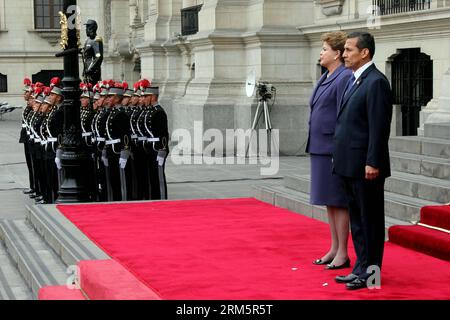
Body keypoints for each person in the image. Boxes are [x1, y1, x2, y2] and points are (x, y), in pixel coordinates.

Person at [333, 32, 393, 290]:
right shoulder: (355, 80)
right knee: (357, 221)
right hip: (349, 164)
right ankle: (360, 269)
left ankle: (372, 274)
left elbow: (379, 127)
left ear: (364, 52)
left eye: (348, 50)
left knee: (370, 222)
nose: (344, 54)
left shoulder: (376, 82)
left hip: (366, 167)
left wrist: (373, 162)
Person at [306, 31, 352, 270]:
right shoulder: (326, 76)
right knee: (328, 201)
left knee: (339, 200)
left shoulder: (343, 76)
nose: (321, 53)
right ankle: (334, 248)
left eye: (324, 49)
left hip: (332, 148)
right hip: (319, 147)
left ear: (337, 53)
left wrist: (339, 149)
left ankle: (343, 252)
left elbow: (342, 116)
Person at [81, 19, 103, 85]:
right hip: (87, 70)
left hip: (93, 72)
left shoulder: (96, 40)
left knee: (92, 90)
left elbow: (98, 57)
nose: (86, 29)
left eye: (88, 27)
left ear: (93, 28)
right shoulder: (88, 40)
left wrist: (90, 69)